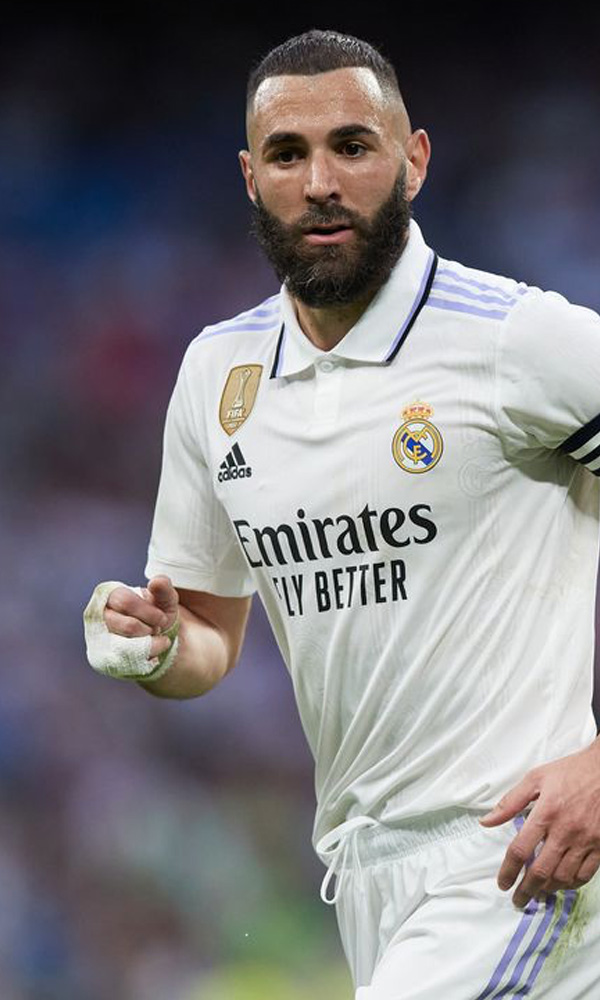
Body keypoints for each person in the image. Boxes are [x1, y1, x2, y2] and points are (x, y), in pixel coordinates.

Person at [83, 29, 600, 998]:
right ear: (251, 177)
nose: (320, 182)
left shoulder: (515, 340)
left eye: (352, 146)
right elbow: (209, 631)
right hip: (364, 875)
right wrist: (156, 646)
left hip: (517, 855)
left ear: (414, 159)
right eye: (288, 154)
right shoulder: (218, 374)